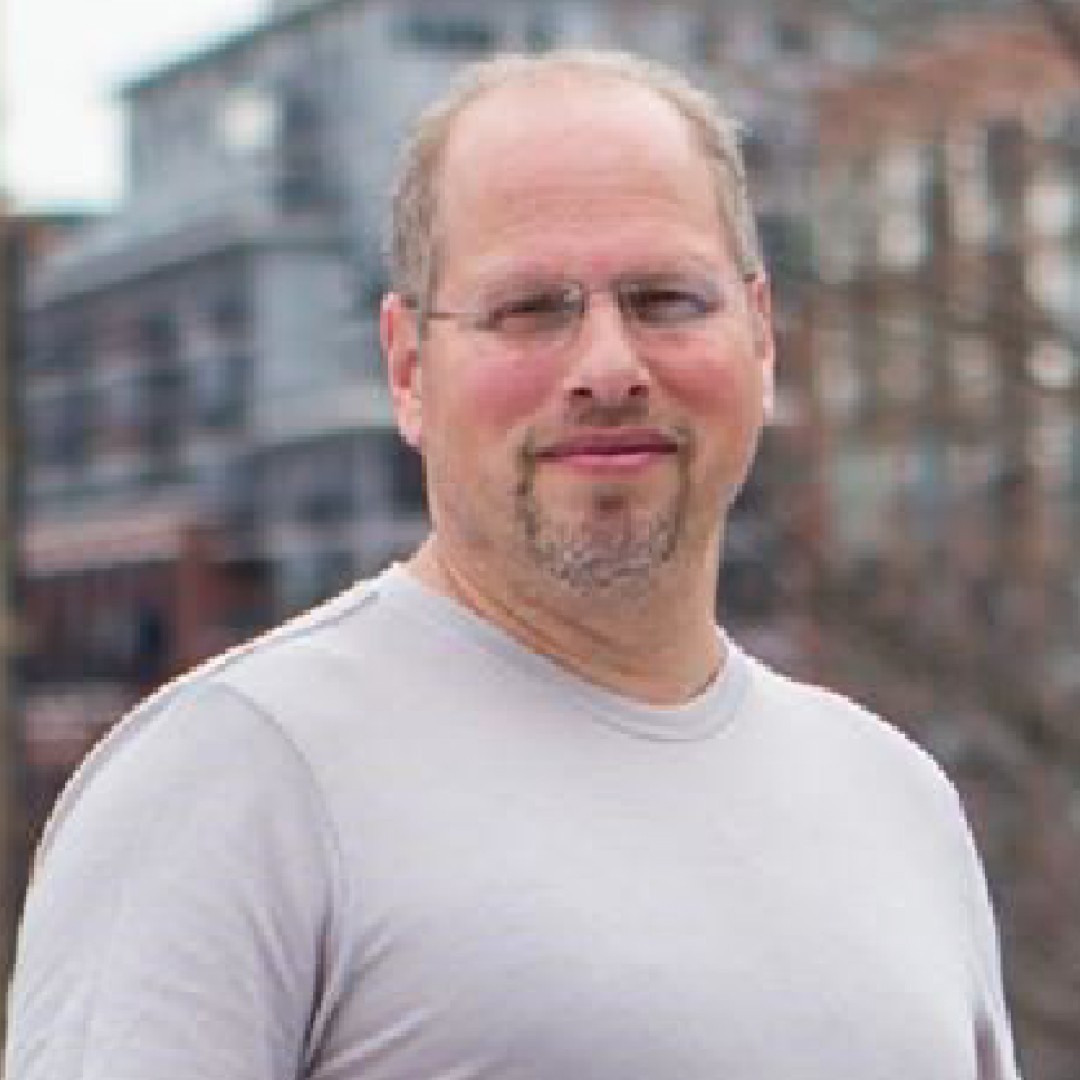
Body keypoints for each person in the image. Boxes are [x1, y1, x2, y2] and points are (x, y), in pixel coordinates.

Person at [5, 50, 1021, 1080]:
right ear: (408, 368)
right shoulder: (240, 779)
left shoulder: (898, 804)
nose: (608, 368)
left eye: (666, 298)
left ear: (761, 338)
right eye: (530, 310)